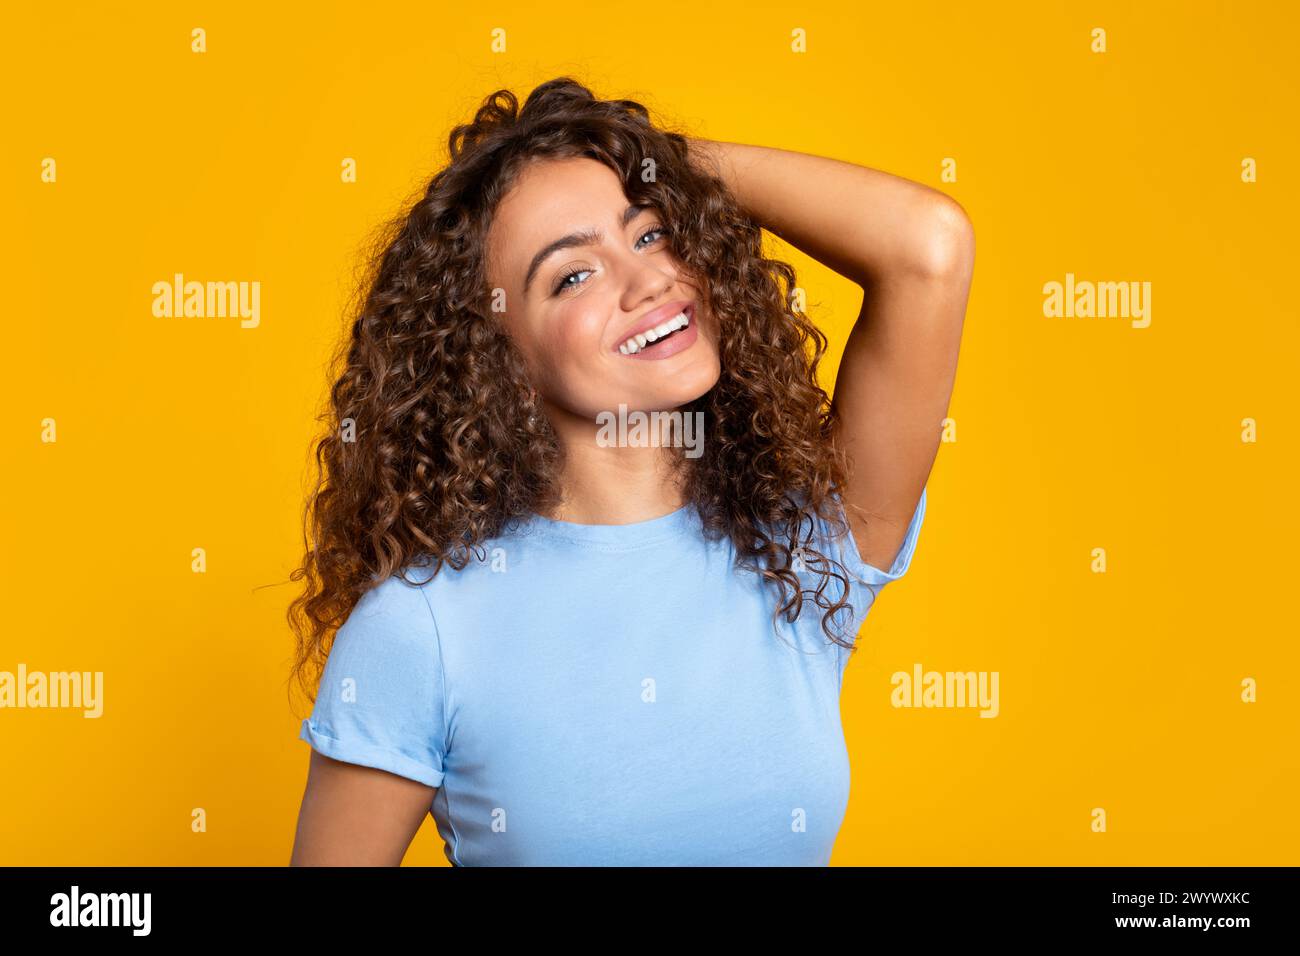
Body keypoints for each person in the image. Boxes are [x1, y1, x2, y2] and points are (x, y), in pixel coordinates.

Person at [288, 76, 973, 866]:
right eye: (572, 275)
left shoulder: (802, 547)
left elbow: (930, 246)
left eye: (650, 234)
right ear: (497, 359)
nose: (649, 280)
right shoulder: (422, 628)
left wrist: (657, 161)